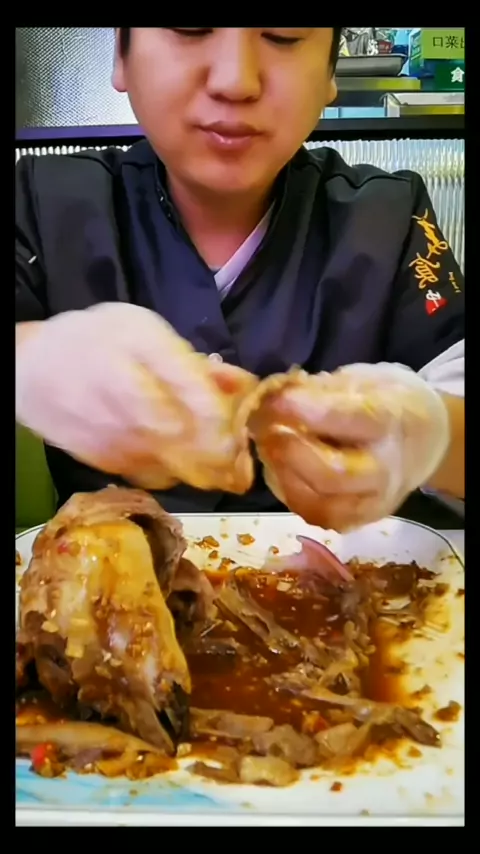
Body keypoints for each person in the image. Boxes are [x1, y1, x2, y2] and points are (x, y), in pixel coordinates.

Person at [15, 27, 464, 532]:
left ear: (330, 70)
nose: (235, 80)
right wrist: (30, 360)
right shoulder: (42, 201)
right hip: (103, 568)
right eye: (190, 28)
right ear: (121, 51)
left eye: (284, 33)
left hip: (354, 570)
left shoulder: (389, 217)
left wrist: (433, 437)